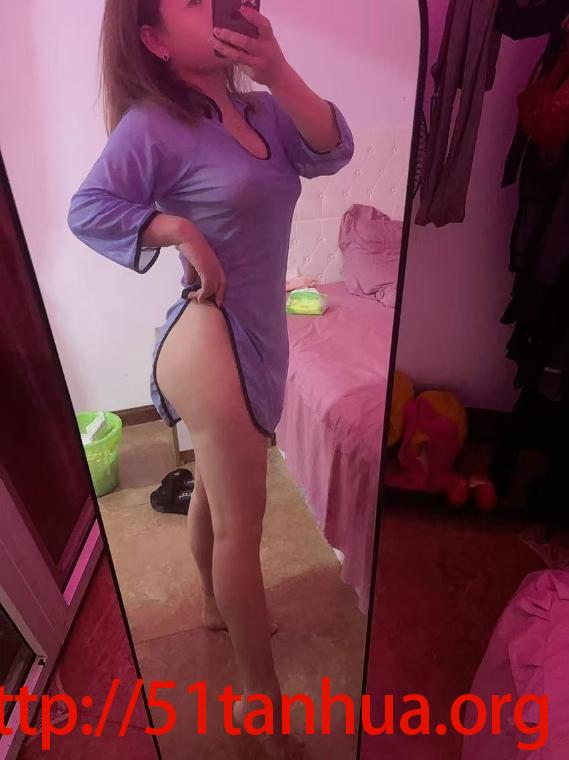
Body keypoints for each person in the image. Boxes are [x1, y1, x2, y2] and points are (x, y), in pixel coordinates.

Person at [68, 1, 354, 756]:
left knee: (217, 495)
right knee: (241, 525)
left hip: (257, 332)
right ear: (154, 40)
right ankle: (262, 707)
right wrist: (176, 228)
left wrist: (277, 68)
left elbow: (332, 148)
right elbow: (87, 209)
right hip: (208, 334)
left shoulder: (264, 110)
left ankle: (209, 605)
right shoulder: (151, 125)